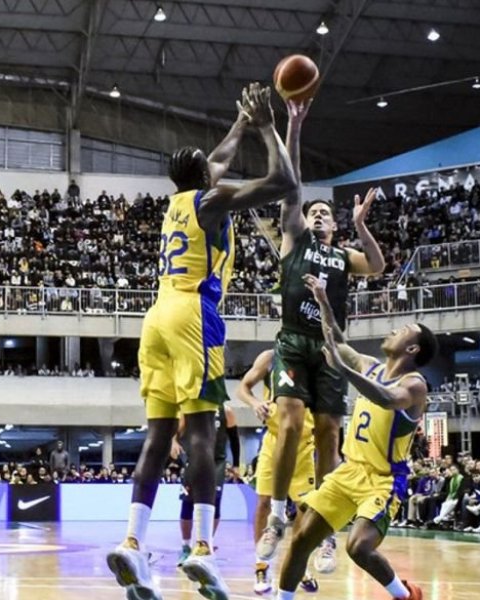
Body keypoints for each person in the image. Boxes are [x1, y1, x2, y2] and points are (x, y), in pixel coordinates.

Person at [105, 82, 298, 600]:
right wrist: (263, 126)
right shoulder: (214, 199)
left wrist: (238, 123)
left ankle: (131, 542)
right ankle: (204, 550)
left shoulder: (177, 203)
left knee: (155, 436)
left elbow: (215, 158)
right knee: (201, 436)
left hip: (157, 316)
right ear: (205, 178)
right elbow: (284, 180)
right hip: (196, 312)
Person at [258, 94, 386, 571]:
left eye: (324, 214)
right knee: (290, 421)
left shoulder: (343, 256)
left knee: (329, 432)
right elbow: (291, 185)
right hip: (293, 339)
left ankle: (323, 528)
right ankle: (276, 516)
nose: (316, 215)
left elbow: (376, 265)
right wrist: (293, 125)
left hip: (332, 348)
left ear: (334, 225)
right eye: (313, 212)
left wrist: (360, 225)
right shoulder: (294, 239)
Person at [272, 274, 435, 600]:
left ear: (412, 348)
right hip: (348, 471)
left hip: (383, 479)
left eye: (402, 331)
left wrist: (344, 370)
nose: (393, 330)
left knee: (358, 547)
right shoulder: (370, 365)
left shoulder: (416, 385)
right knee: (302, 538)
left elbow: (387, 398)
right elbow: (335, 339)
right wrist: (322, 299)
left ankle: (405, 595)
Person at [236, 349, 318, 595]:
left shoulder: (317, 358)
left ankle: (297, 561)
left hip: (304, 445)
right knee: (263, 502)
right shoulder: (271, 357)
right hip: (275, 441)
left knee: (305, 507)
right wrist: (255, 402)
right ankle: (262, 564)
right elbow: (243, 388)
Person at [173, 405, 239, 567]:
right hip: (193, 459)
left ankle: (205, 544)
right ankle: (186, 546)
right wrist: (173, 441)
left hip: (217, 461)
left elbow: (234, 439)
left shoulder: (227, 411)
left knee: (215, 503)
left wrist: (236, 464)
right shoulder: (191, 407)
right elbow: (176, 429)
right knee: (187, 503)